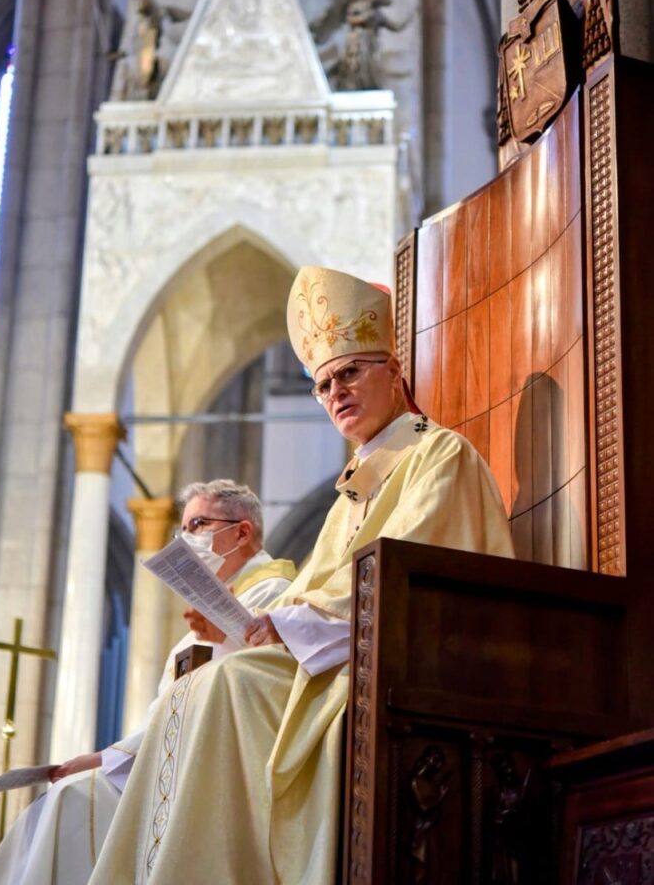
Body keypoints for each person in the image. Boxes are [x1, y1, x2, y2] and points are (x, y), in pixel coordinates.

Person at [88, 265, 514, 885]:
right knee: (200, 685)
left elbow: (405, 574)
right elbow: (312, 590)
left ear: (393, 373)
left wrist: (279, 625)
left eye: (349, 373)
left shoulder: (438, 455)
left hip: (397, 664)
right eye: (322, 385)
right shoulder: (352, 493)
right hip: (341, 655)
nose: (336, 392)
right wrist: (244, 627)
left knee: (228, 687)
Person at [0, 480, 295, 885]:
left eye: (198, 524)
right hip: (172, 772)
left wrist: (227, 638)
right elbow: (163, 720)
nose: (187, 539)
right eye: (183, 529)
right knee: (58, 800)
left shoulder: (280, 595)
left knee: (72, 803)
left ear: (242, 532)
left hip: (222, 779)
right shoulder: (194, 627)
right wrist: (97, 758)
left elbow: (272, 686)